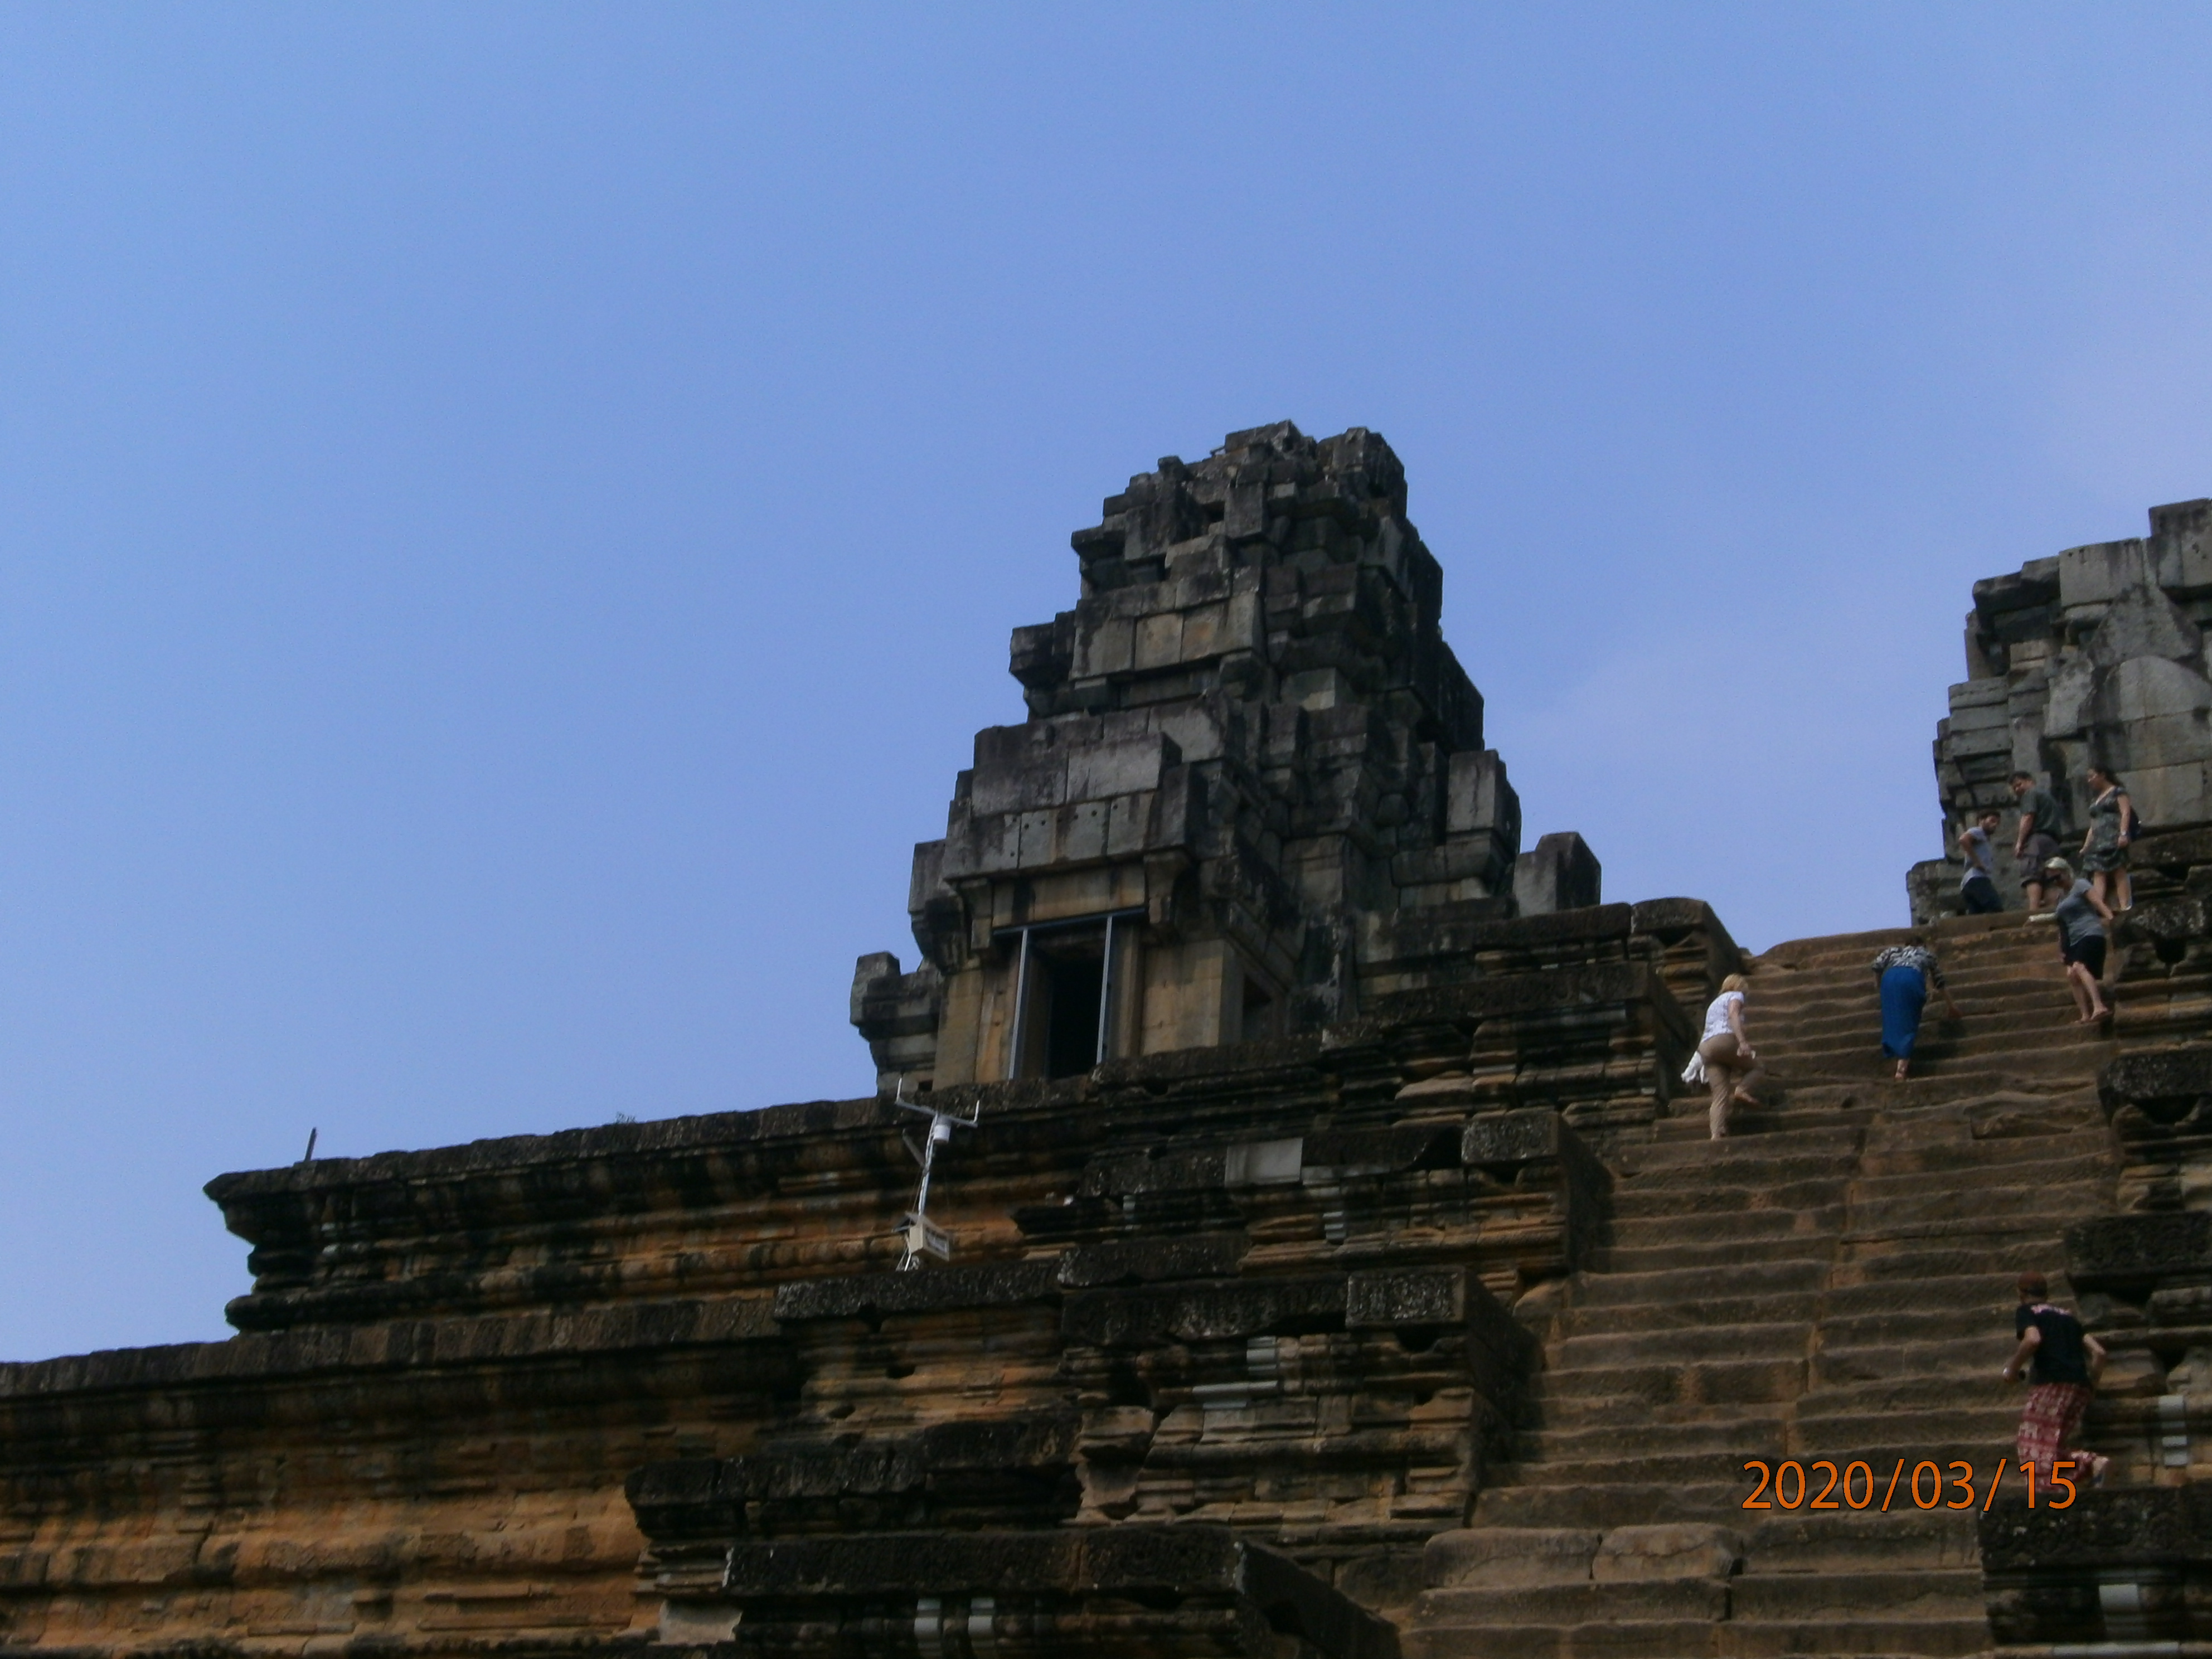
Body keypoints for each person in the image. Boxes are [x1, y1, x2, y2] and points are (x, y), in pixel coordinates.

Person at [2003, 1270, 2109, 1486]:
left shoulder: (2028, 1311)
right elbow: (2099, 1353)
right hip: (2079, 1386)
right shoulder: (2068, 1316)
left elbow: (2032, 1340)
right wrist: (2091, 1387)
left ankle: (2049, 1497)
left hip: (2050, 1384)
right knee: (2053, 1449)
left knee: (2031, 1449)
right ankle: (2091, 1464)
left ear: (2020, 1294)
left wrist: (2012, 1369)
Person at [1870, 939, 1962, 1081]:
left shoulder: (1894, 950)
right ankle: (1901, 1070)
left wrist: (1879, 986)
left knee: (1892, 1020)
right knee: (1909, 1020)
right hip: (1911, 977)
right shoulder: (1926, 954)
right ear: (1922, 945)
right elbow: (1939, 982)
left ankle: (1896, 1055)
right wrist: (1951, 1006)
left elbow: (1877, 966)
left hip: (1889, 979)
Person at [1689, 972, 1762, 1139]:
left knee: (1720, 1094)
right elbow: (1733, 1015)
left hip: (1707, 1048)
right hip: (1724, 1040)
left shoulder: (1714, 1004)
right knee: (1757, 1067)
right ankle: (1742, 1090)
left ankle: (1717, 1133)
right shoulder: (1736, 996)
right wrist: (1742, 1042)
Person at [2046, 857, 2114, 1025]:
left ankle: (2099, 1006)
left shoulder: (2081, 885)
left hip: (2090, 933)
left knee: (2079, 967)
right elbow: (2062, 925)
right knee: (2072, 975)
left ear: (2066, 872)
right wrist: (2061, 948)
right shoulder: (2061, 897)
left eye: (2057, 877)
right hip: (2073, 939)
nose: (2056, 882)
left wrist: (2111, 918)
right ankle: (2085, 1014)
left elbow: (2097, 902)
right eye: (2052, 880)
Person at [2081, 764, 2137, 915]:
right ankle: (2100, 909)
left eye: (2092, 776)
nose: (2090, 780)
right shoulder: (2096, 799)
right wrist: (2086, 846)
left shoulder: (2118, 791)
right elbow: (2093, 824)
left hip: (2114, 836)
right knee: (2098, 873)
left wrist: (2123, 833)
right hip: (2098, 840)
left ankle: (2125, 905)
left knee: (2118, 871)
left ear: (2102, 775)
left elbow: (2125, 813)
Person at [2011, 771, 2067, 914]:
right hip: (2053, 841)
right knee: (2051, 877)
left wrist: (2020, 842)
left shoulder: (2030, 794)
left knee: (2033, 875)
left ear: (2030, 781)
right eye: (2014, 788)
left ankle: (2034, 912)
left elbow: (2028, 817)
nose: (2018, 789)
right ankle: (2052, 912)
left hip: (2037, 839)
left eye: (2019, 784)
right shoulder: (2048, 797)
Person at [1957, 808, 2004, 914]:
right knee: (1995, 906)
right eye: (1992, 821)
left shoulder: (1985, 839)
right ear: (1981, 820)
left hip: (1968, 882)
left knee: (1977, 914)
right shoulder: (1978, 832)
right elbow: (1964, 840)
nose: (1995, 825)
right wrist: (1977, 862)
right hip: (1977, 878)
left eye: (1997, 823)